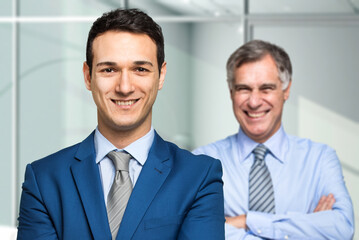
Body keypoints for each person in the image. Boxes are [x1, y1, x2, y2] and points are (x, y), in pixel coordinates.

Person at [17, 8, 225, 240]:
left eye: (140, 69)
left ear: (161, 75)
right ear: (88, 76)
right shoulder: (44, 179)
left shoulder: (199, 177)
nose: (124, 87)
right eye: (109, 69)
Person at [193, 39, 354, 239]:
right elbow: (197, 233)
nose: (254, 102)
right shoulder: (200, 162)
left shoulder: (320, 159)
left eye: (266, 88)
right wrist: (304, 229)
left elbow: (342, 228)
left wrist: (246, 221)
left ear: (286, 90)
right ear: (231, 92)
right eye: (244, 88)